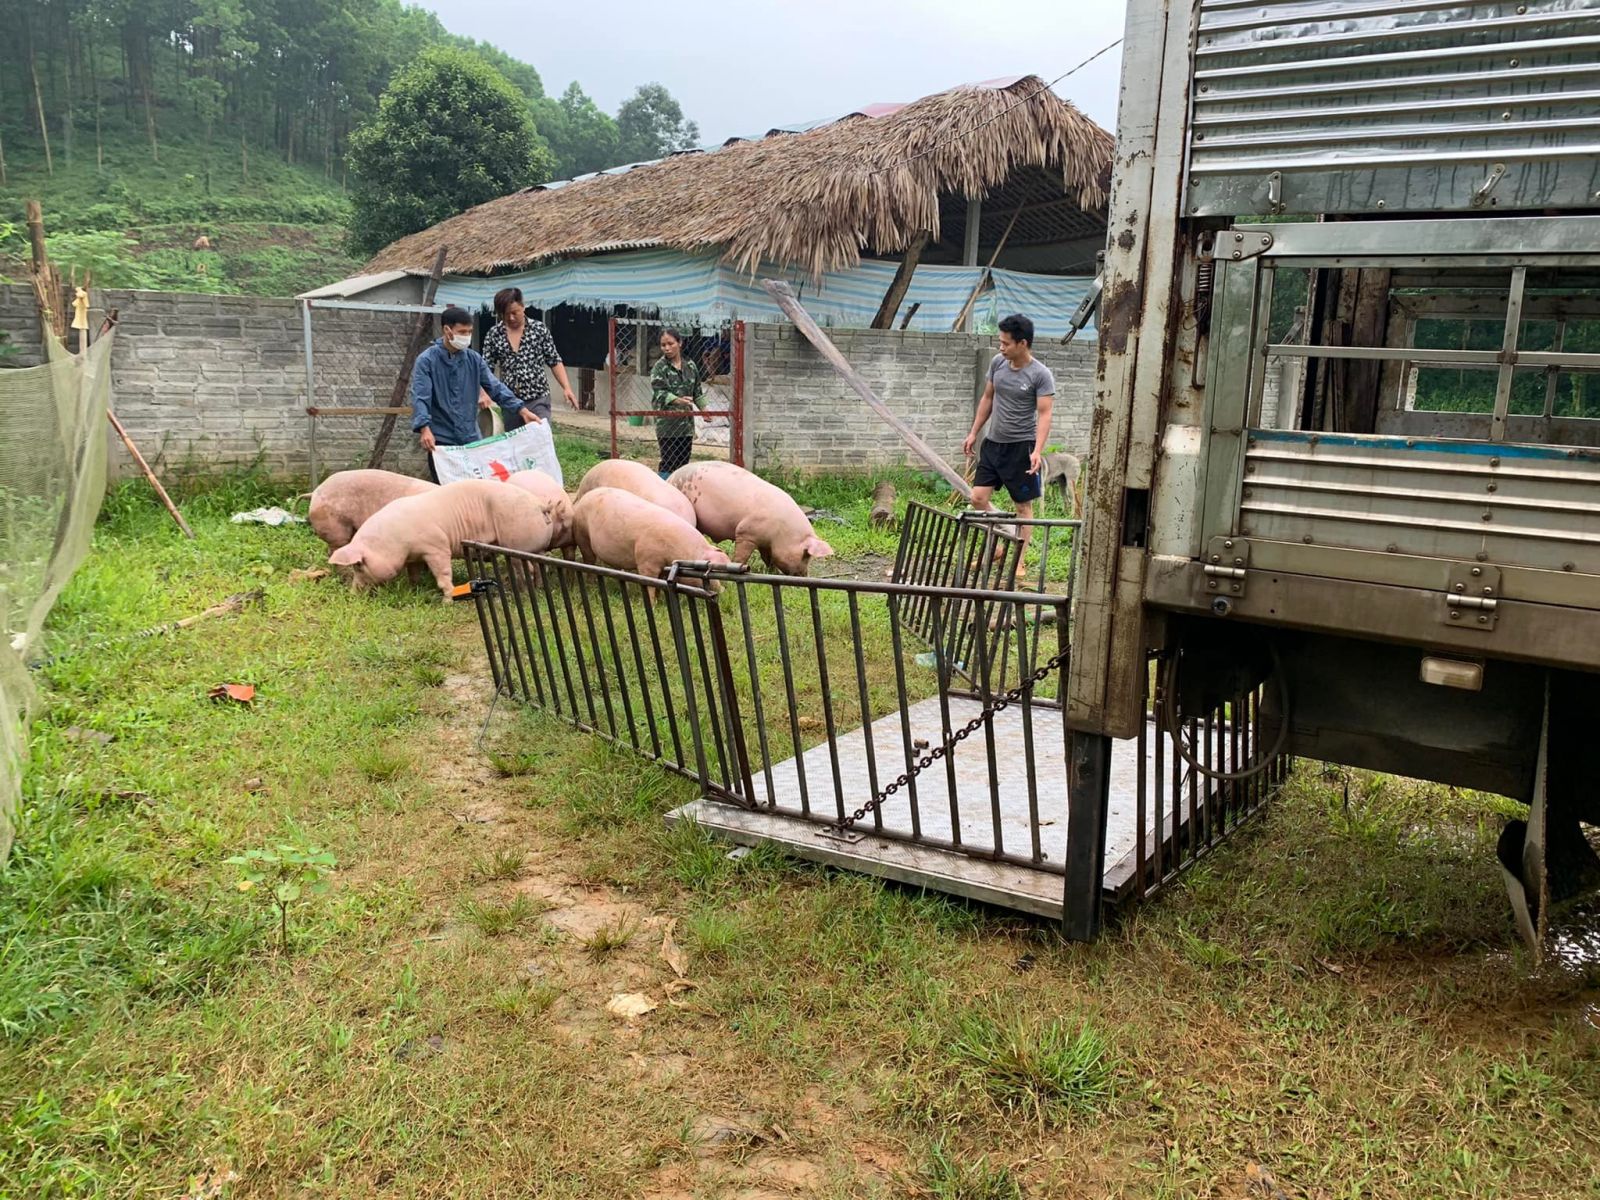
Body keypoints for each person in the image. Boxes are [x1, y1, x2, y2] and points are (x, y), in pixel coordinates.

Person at [961, 313, 1056, 561]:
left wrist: (1037, 450)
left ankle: (1019, 560)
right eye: (1000, 342)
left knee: (1023, 507)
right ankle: (1009, 530)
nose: (1000, 347)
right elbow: (987, 398)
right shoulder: (998, 364)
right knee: (978, 499)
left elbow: (1045, 414)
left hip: (1020, 448)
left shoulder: (1040, 374)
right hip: (993, 444)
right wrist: (973, 432)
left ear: (1022, 343)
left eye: (1006, 343)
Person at [412, 306, 531, 482]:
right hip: (442, 441)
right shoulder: (427, 361)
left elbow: (495, 387)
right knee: (446, 493)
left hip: (471, 438)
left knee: (475, 491)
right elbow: (421, 397)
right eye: (462, 331)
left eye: (469, 332)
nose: (466, 336)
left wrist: (522, 410)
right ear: (447, 330)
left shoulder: (473, 359)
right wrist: (424, 428)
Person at [481, 287, 579, 422]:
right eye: (504, 314)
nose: (510, 318)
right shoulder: (494, 334)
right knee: (516, 442)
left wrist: (567, 388)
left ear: (523, 306)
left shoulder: (539, 330)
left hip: (538, 399)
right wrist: (484, 393)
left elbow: (554, 360)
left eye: (514, 312)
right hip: (510, 402)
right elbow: (485, 369)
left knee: (540, 438)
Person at [650, 328, 704, 478]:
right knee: (668, 461)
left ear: (680, 343)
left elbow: (697, 390)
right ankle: (663, 491)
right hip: (667, 424)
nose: (666, 348)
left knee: (683, 463)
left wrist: (704, 410)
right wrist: (677, 400)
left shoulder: (690, 366)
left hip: (685, 425)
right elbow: (659, 392)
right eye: (663, 345)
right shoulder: (659, 368)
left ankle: (679, 493)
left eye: (670, 343)